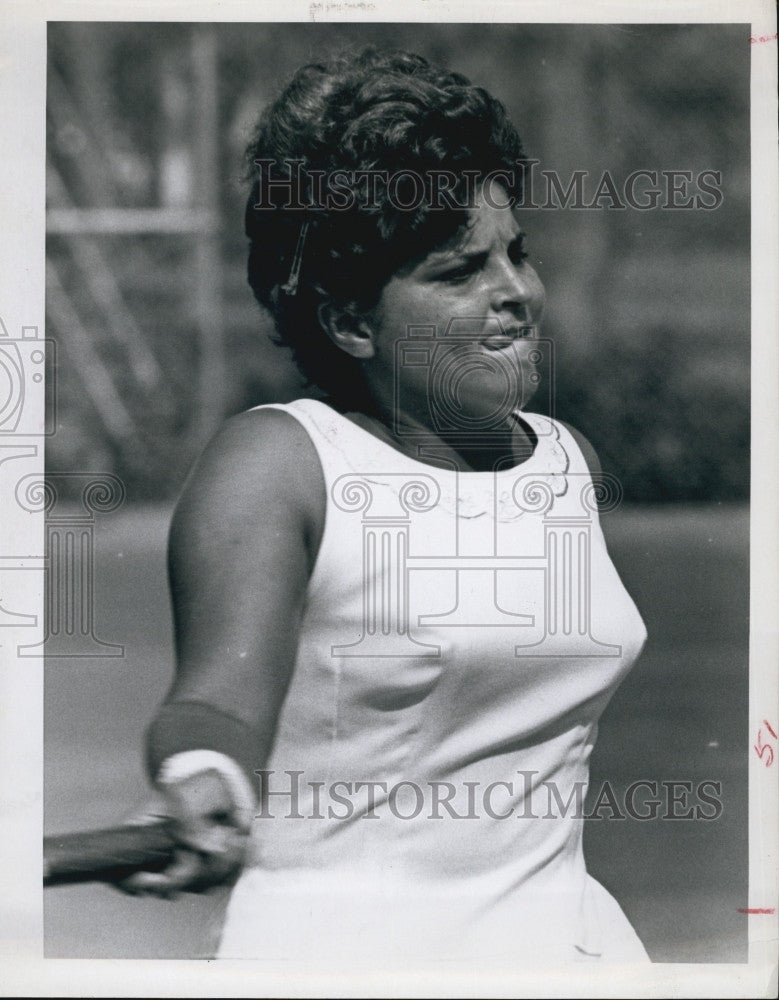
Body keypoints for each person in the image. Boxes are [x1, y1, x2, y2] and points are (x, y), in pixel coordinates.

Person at [125, 48, 650, 966]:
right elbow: (214, 698)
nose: (516, 294)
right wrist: (201, 771)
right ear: (350, 322)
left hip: (570, 955)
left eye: (514, 254)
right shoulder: (281, 464)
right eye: (458, 271)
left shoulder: (566, 463)